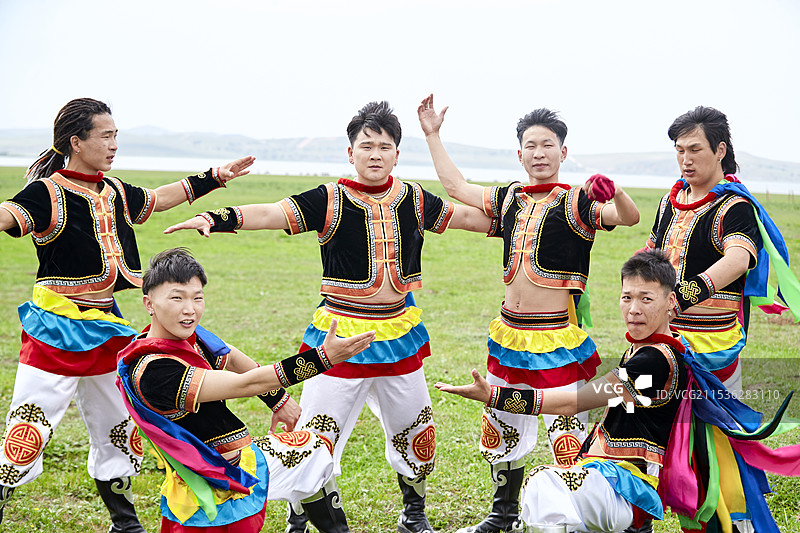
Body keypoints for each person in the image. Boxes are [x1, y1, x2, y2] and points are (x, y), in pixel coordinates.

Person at [164, 101, 493, 533]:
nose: (375, 154)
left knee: (417, 431)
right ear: (350, 152)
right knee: (312, 437)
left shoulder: (413, 197)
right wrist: (219, 217)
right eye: (366, 145)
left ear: (397, 154)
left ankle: (413, 515)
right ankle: (299, 517)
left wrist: (528, 216)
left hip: (398, 333)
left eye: (385, 146)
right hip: (338, 336)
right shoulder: (329, 199)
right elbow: (272, 212)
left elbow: (469, 217)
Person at [0, 97, 255, 531]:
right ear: (76, 142)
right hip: (57, 329)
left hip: (108, 326)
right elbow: (8, 215)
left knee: (119, 427)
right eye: (106, 136)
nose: (114, 144)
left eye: (116, 135)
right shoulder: (46, 193)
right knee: (28, 429)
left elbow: (156, 199)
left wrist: (214, 178)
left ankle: (125, 523)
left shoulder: (114, 189)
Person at [436, 250, 800, 533]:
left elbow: (575, 400)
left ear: (671, 303)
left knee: (542, 484)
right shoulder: (648, 350)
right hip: (611, 480)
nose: (633, 309)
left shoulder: (654, 362)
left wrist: (495, 397)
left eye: (646, 299)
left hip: (626, 488)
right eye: (627, 298)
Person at [417, 94, 640, 532]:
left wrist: (615, 190)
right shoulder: (510, 199)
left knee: (567, 433)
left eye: (547, 145)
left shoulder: (578, 202)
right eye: (531, 146)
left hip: (557, 338)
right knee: (503, 424)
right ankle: (503, 515)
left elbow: (626, 217)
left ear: (563, 151)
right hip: (509, 335)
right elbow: (458, 189)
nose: (539, 153)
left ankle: (575, 517)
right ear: (519, 154)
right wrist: (432, 135)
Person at [116, 247, 376, 532]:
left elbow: (236, 360)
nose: (189, 309)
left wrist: (278, 401)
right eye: (176, 298)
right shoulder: (155, 370)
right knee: (314, 451)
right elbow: (245, 383)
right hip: (216, 476)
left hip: (236, 460)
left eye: (197, 298)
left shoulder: (188, 337)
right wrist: (321, 358)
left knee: (314, 452)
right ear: (149, 304)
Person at [645, 105, 800, 397]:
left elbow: (738, 260)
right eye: (679, 151)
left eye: (695, 149)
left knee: (715, 435)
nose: (685, 160)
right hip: (662, 334)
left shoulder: (735, 206)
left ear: (720, 150)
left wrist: (683, 296)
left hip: (710, 343)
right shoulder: (669, 201)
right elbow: (654, 251)